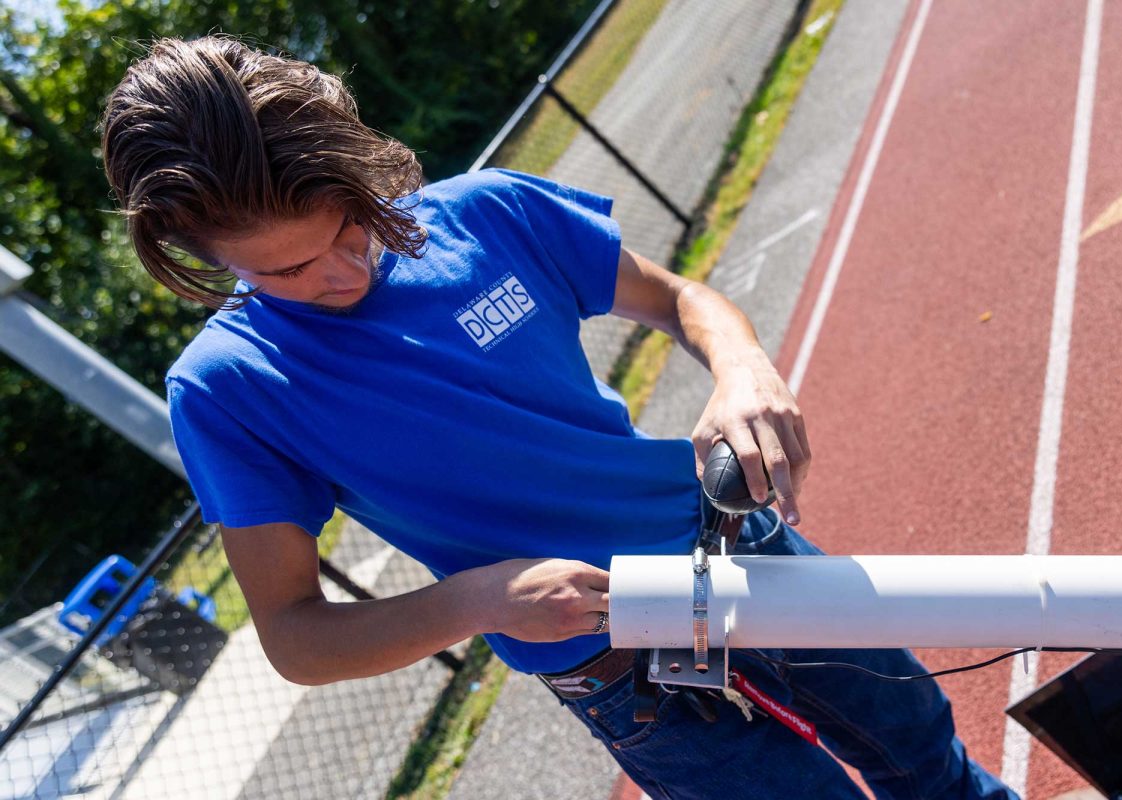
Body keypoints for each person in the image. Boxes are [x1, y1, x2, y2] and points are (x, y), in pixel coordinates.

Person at [100, 35, 1017, 800]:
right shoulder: (226, 388)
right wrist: (479, 599)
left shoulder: (488, 213)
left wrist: (742, 369)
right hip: (618, 672)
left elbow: (678, 299)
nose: (341, 276)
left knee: (923, 750)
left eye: (350, 230)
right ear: (200, 256)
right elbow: (296, 637)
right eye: (285, 272)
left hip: (735, 551)